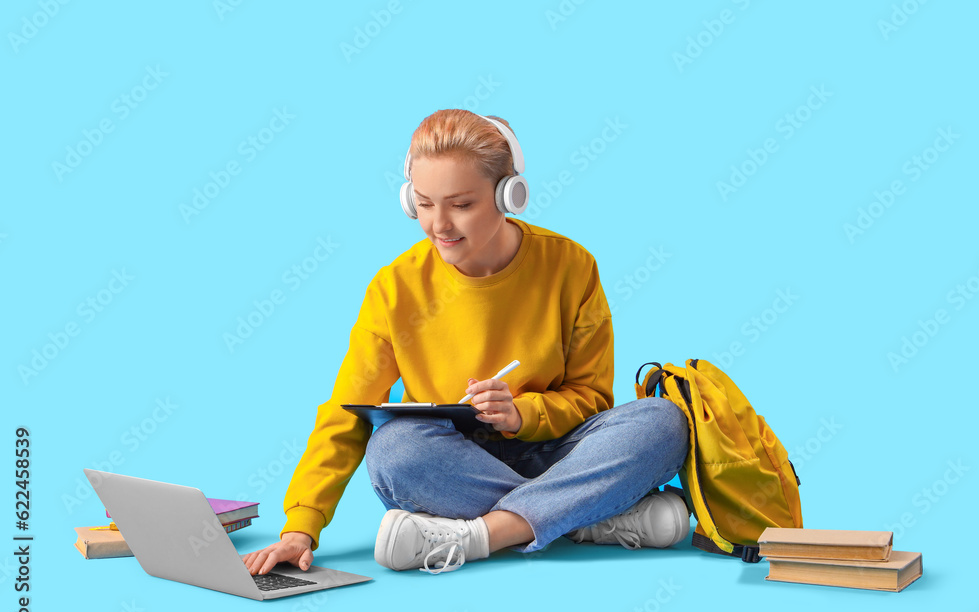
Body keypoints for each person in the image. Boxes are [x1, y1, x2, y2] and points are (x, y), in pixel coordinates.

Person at [242, 109, 690, 576]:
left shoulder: (571, 267)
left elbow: (592, 398)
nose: (439, 224)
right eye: (424, 203)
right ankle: (586, 516)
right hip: (452, 464)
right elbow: (345, 414)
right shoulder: (395, 288)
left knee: (663, 422)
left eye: (460, 205)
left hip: (558, 452)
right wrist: (300, 528)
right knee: (393, 450)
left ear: (509, 195)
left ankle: (482, 535)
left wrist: (523, 413)